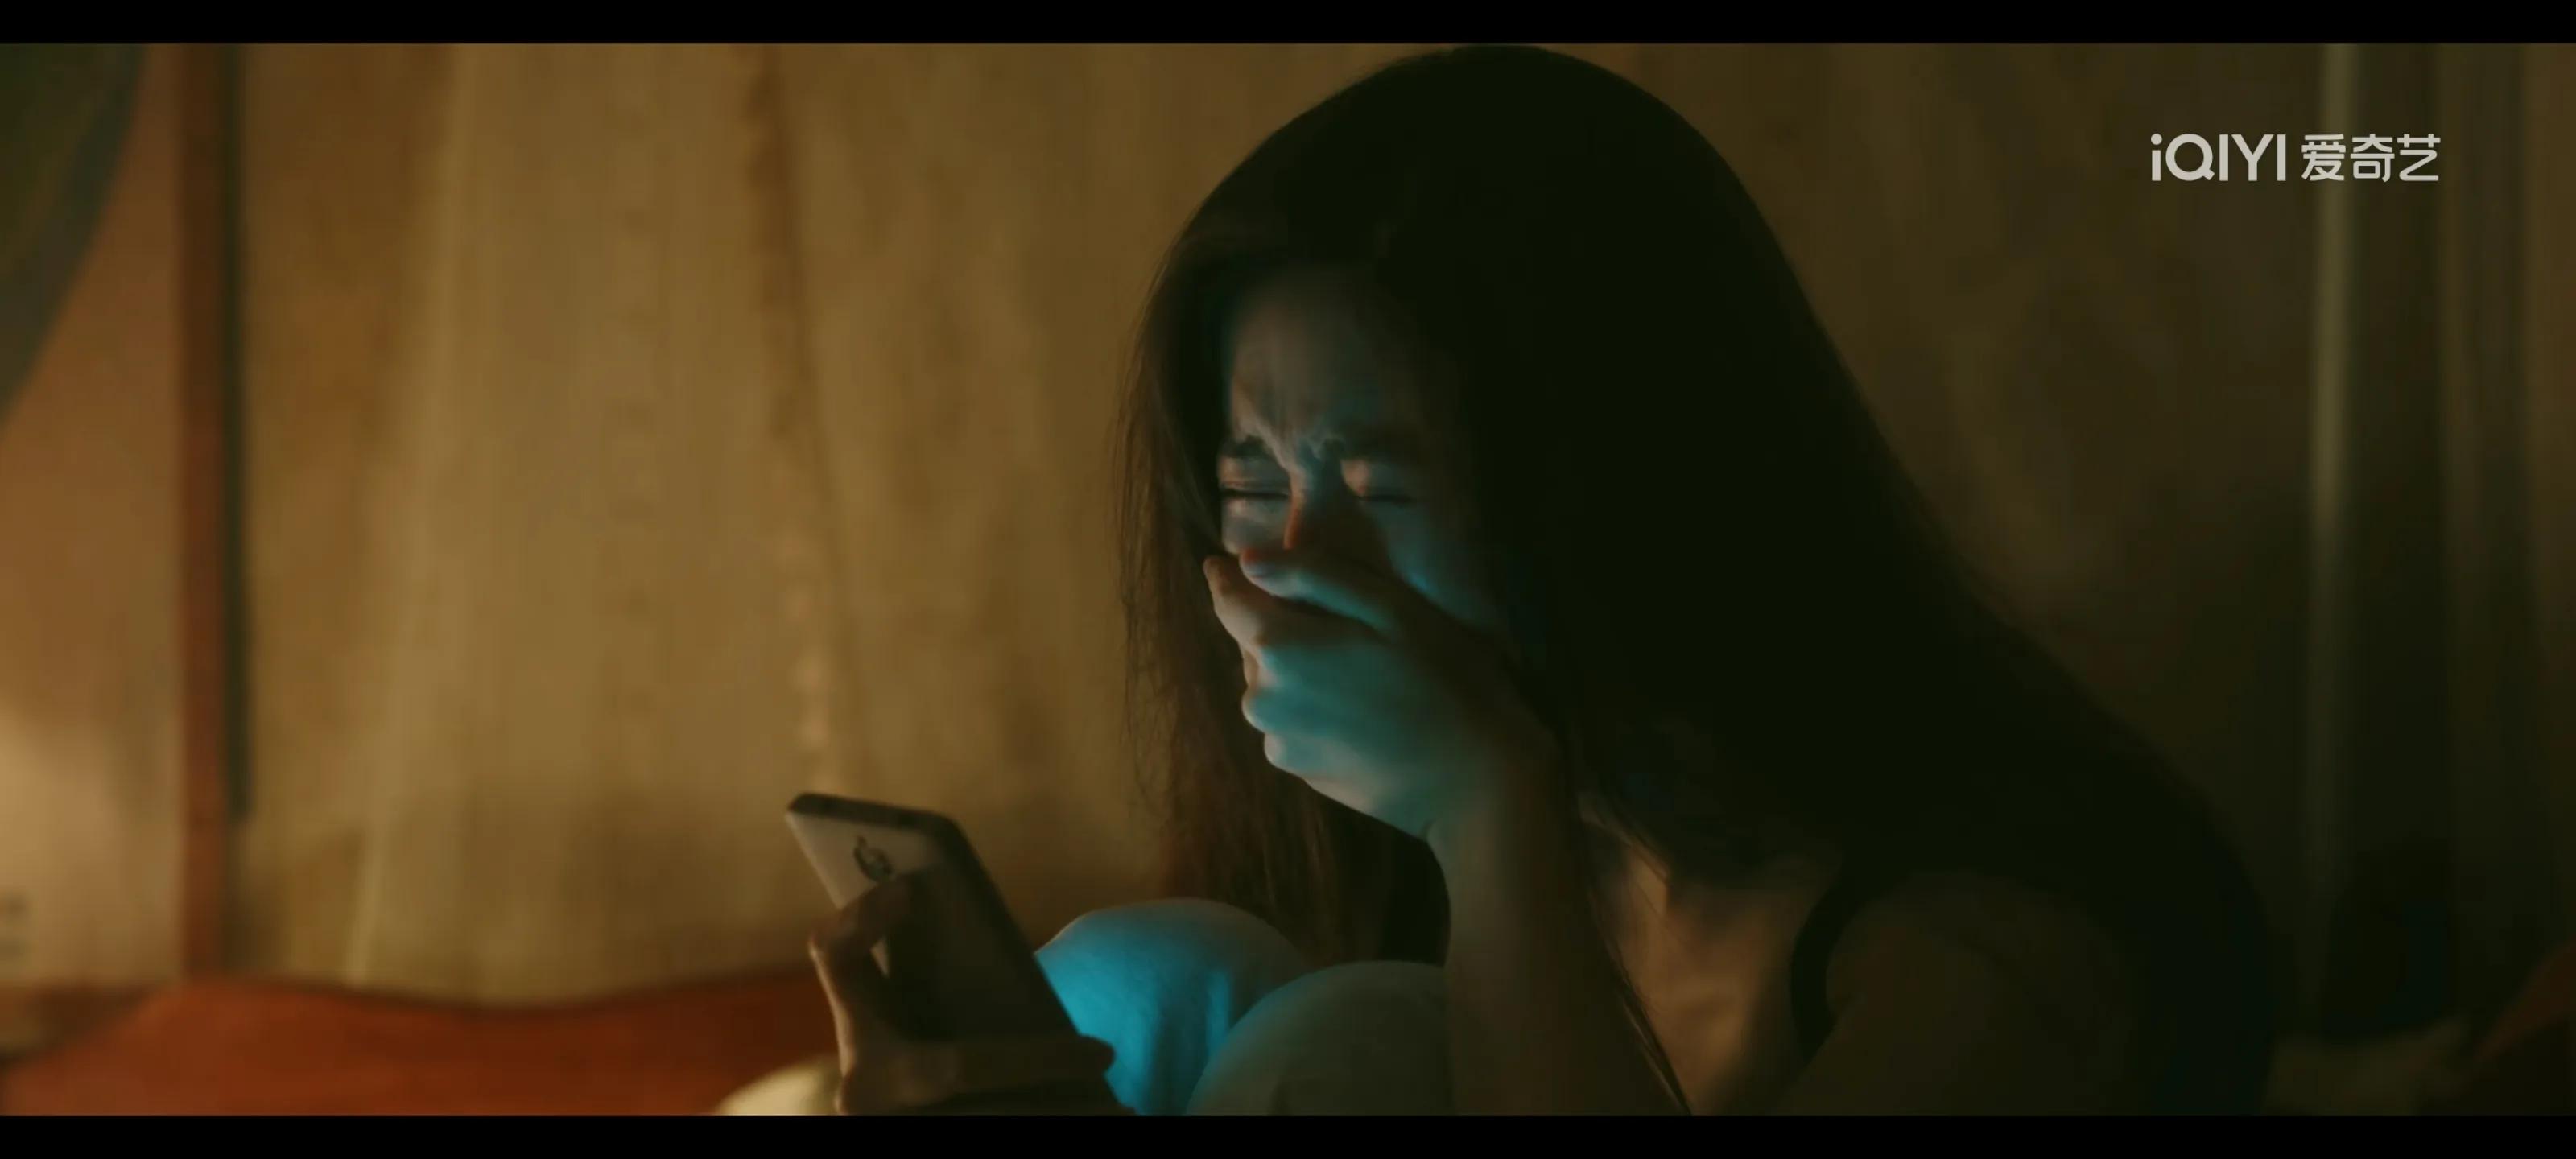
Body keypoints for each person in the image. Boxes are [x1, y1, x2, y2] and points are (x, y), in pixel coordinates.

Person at [807, 43, 2277, 1116]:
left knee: (1352, 1040)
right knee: (1150, 976)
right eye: (1253, 485)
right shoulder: (1362, 878)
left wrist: (1487, 810)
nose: (1295, 560)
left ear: (1639, 484)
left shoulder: (1984, 944)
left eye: (1388, 484)